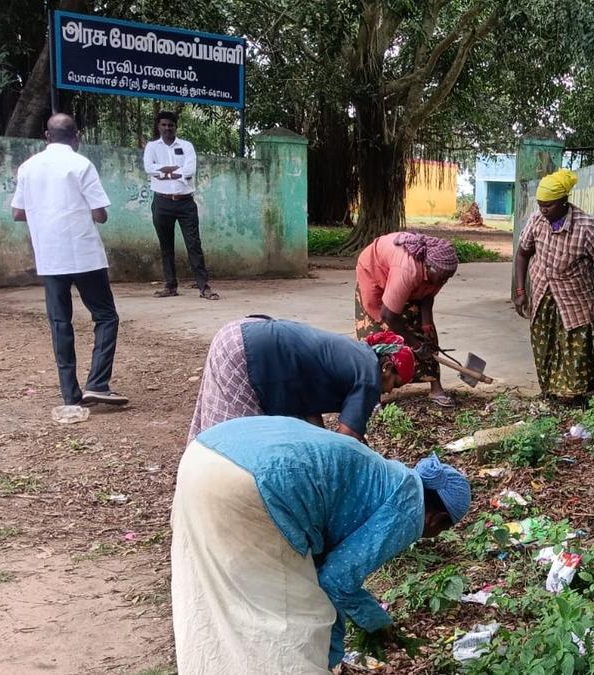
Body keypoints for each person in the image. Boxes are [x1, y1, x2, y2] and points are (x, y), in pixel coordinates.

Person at [170, 415, 470, 674]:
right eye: (442, 530)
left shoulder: (389, 476)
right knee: (294, 615)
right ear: (437, 519)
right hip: (257, 482)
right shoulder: (409, 509)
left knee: (221, 593)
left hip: (209, 451)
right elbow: (336, 581)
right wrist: (374, 627)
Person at [11, 114, 128, 408]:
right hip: (84, 254)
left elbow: (18, 212)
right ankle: (97, 383)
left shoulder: (28, 167)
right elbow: (100, 214)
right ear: (77, 135)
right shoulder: (81, 164)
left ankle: (70, 395)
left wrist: (45, 213)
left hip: (50, 256)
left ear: (46, 136)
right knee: (105, 317)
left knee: (60, 323)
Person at [186, 316, 415, 443]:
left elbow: (311, 419)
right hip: (245, 351)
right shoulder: (368, 374)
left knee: (216, 432)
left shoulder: (355, 356)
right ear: (386, 367)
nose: (388, 392)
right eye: (394, 384)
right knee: (234, 446)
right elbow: (347, 442)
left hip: (239, 332)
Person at [513, 169, 594, 400]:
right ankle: (549, 391)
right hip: (542, 292)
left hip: (575, 296)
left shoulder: (586, 226)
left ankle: (575, 396)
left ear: (564, 202)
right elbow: (522, 254)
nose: (543, 210)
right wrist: (521, 291)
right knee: (544, 342)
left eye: (548, 205)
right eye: (540, 205)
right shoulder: (537, 220)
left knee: (574, 346)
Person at [354, 232, 459, 407]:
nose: (443, 280)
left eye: (447, 278)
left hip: (404, 279)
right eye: (441, 277)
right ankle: (372, 394)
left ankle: (435, 385)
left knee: (427, 336)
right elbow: (388, 314)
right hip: (375, 274)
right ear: (427, 267)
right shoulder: (407, 270)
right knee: (377, 334)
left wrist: (426, 326)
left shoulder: (439, 270)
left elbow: (427, 295)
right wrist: (415, 345)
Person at [143, 111, 219, 300]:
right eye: (164, 125)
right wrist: (173, 171)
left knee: (194, 244)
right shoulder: (152, 147)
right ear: (158, 126)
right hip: (161, 202)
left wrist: (162, 171)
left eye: (171, 125)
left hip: (185, 202)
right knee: (166, 245)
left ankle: (204, 287)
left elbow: (189, 170)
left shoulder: (186, 146)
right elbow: (148, 168)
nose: (167, 128)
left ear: (176, 127)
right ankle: (170, 286)